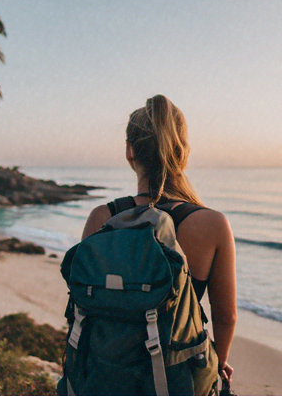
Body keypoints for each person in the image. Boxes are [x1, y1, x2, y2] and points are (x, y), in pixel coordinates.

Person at [81, 94, 237, 387]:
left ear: (130, 151)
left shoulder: (101, 218)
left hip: (107, 373)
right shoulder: (212, 224)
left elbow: (84, 303)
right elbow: (226, 316)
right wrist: (221, 361)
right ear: (183, 151)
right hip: (178, 373)